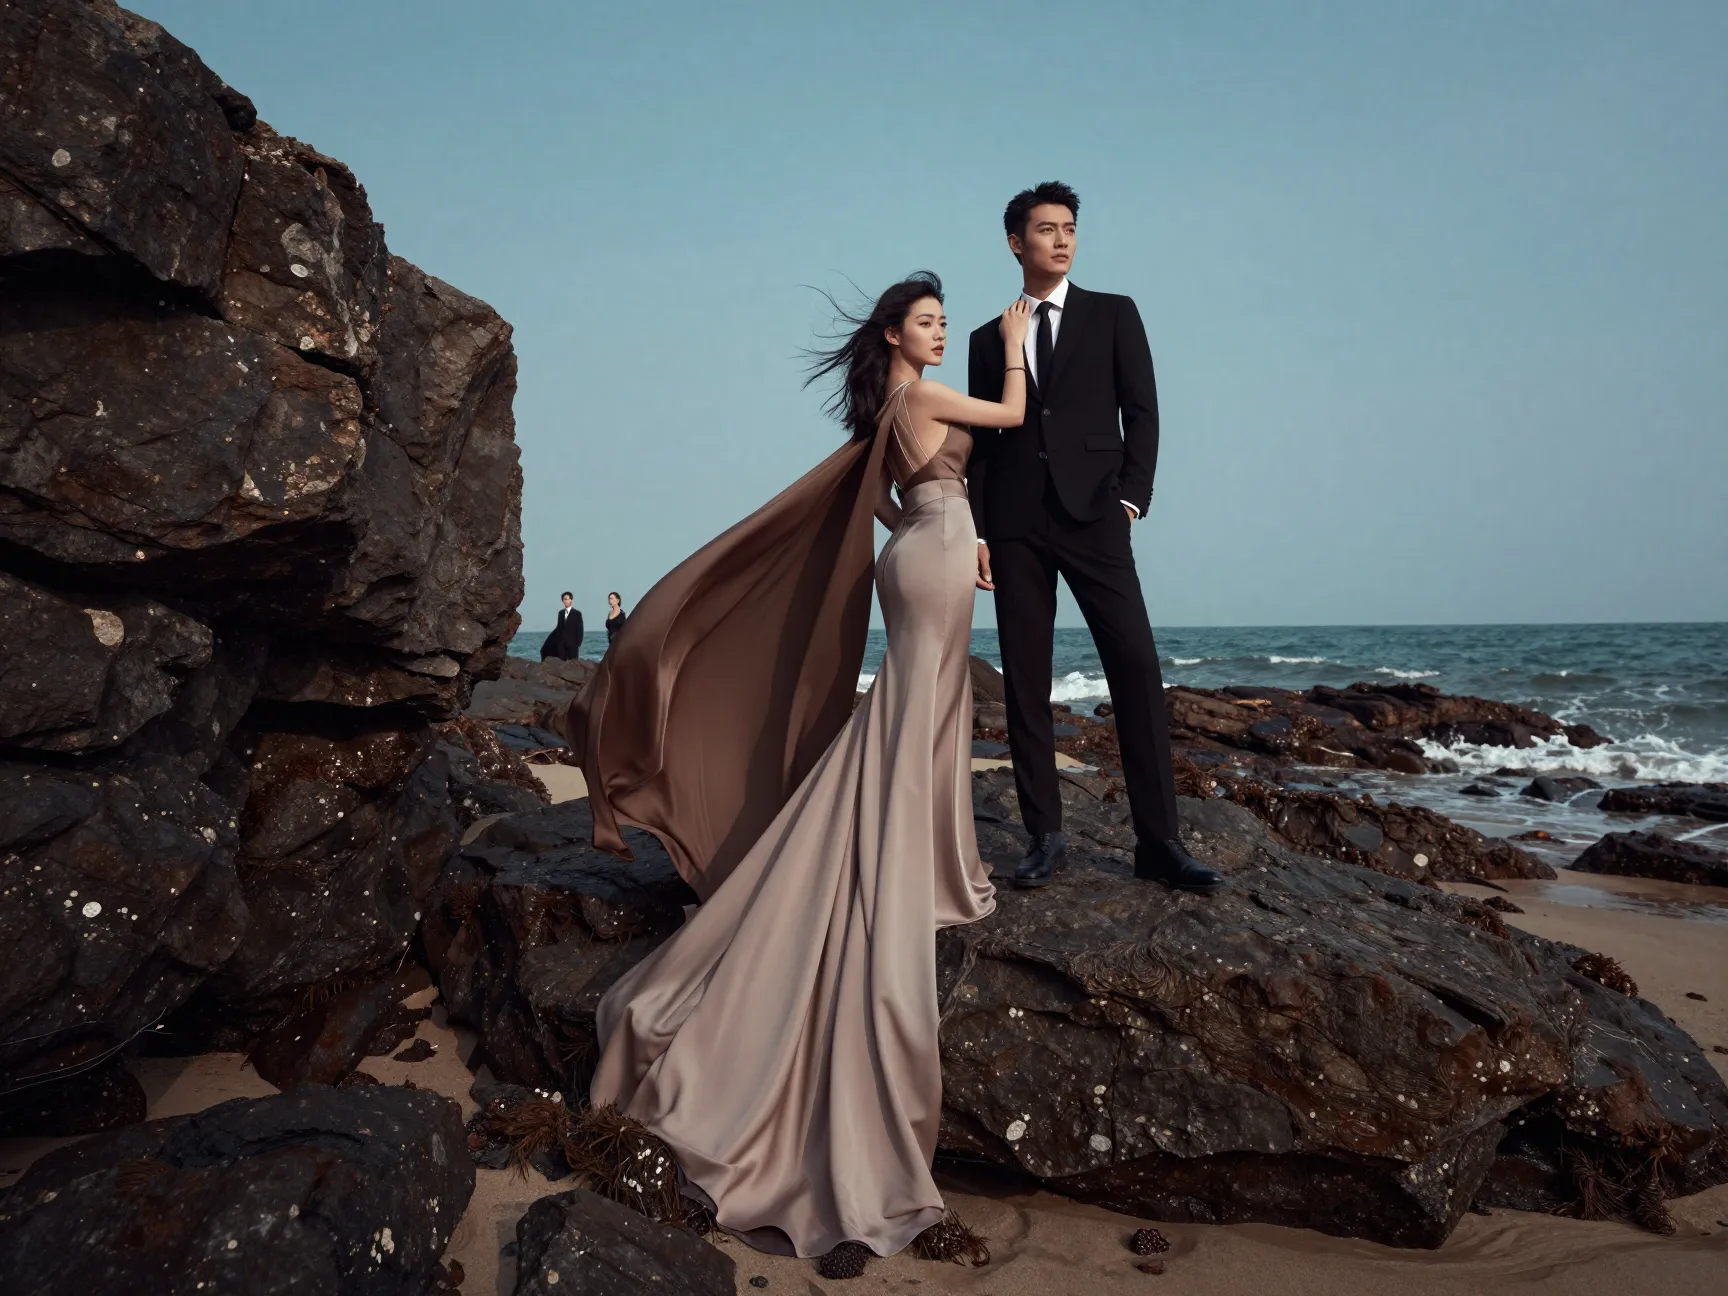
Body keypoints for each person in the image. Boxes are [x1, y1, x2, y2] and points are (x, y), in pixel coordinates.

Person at [565, 273, 1031, 1259]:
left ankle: (925, 845)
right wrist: (1021, 330)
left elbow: (884, 504)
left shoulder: (892, 416)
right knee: (915, 714)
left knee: (920, 712)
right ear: (896, 338)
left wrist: (958, 530)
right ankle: (921, 854)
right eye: (929, 322)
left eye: (946, 321)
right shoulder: (927, 397)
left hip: (929, 547)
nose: (943, 332)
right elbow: (1016, 410)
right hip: (932, 551)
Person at [967, 182, 1222, 895]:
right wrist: (979, 531)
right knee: (1024, 678)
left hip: (1096, 516)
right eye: (1045, 229)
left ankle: (1160, 840)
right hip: (1016, 524)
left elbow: (1143, 411)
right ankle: (1044, 837)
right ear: (1015, 242)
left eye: (1069, 228)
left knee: (1135, 664)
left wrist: (1131, 501)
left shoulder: (1113, 314)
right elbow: (985, 442)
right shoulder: (989, 339)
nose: (1061, 239)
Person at [540, 591, 584, 660]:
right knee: (561, 664)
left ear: (571, 600)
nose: (566, 601)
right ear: (562, 601)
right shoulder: (560, 613)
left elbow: (580, 628)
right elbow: (559, 628)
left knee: (574, 664)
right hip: (561, 644)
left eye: (567, 599)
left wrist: (578, 643)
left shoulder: (577, 613)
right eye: (564, 599)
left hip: (573, 644)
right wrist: (550, 640)